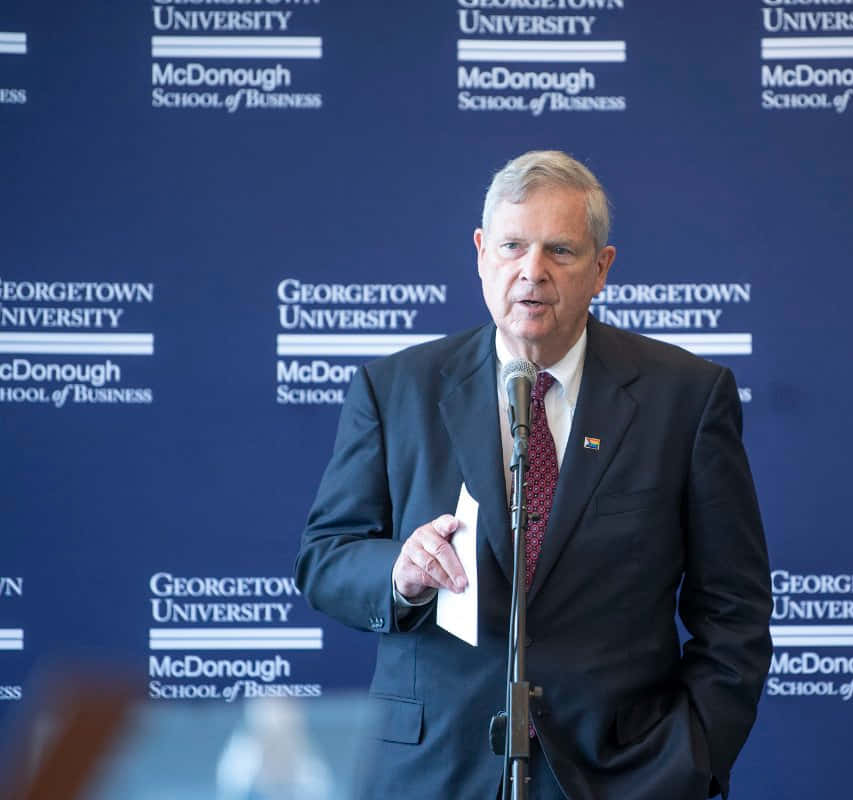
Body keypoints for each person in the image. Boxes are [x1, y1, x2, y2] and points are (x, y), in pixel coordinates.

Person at [295, 150, 772, 799]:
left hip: (624, 774)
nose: (532, 272)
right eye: (513, 246)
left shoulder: (685, 397)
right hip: (434, 769)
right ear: (480, 251)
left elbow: (734, 610)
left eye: (560, 251)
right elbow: (326, 559)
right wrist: (401, 577)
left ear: (602, 268)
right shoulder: (395, 389)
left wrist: (691, 756)